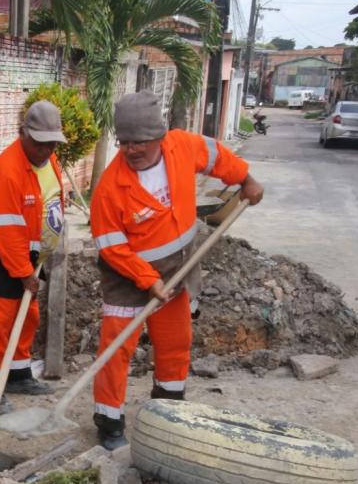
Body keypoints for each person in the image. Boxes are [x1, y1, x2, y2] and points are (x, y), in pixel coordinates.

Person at [90, 91, 264, 450]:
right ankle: (108, 423)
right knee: (115, 351)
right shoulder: (110, 188)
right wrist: (149, 281)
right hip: (127, 277)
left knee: (175, 343)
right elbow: (112, 247)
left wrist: (246, 178)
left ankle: (168, 412)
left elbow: (216, 155)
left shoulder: (181, 147)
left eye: (139, 142)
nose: (131, 150)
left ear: (159, 137)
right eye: (124, 143)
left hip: (180, 269)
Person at [0, 101, 67, 413]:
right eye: (40, 144)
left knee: (27, 317)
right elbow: (7, 232)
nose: (46, 150)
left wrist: (40, 255)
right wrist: (25, 273)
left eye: (52, 144)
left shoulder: (50, 161)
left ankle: (18, 375)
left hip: (27, 253)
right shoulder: (6, 172)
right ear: (23, 134)